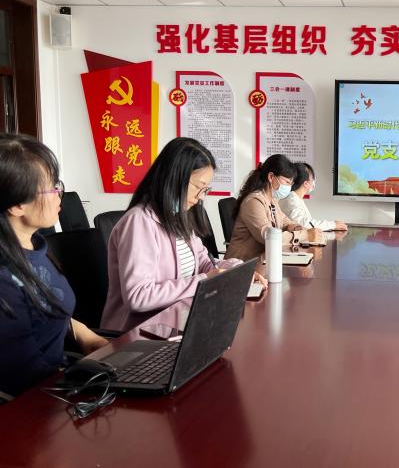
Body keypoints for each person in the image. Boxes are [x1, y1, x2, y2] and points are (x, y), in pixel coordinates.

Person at [101, 138, 258, 332]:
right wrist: (204, 280)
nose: (201, 197)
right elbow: (138, 296)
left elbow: (205, 262)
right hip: (139, 335)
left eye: (206, 189)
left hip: (176, 324)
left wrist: (236, 271)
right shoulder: (139, 222)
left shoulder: (178, 217)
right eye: (199, 187)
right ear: (175, 178)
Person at [0, 134, 108, 397]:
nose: (60, 194)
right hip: (34, 402)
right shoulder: (4, 279)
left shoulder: (35, 246)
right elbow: (24, 375)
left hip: (59, 381)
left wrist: (82, 333)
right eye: (51, 188)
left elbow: (44, 304)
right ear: (17, 205)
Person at [225, 154, 320, 261]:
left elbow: (285, 222)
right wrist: (305, 235)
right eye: (287, 182)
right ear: (271, 177)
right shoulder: (254, 201)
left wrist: (297, 228)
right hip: (241, 264)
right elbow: (269, 237)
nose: (289, 187)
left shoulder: (272, 200)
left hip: (263, 261)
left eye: (291, 183)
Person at [279, 163, 347, 232]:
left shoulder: (296, 198)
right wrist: (332, 225)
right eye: (312, 178)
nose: (314, 181)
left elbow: (308, 223)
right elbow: (305, 225)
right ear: (306, 183)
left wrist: (332, 225)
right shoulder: (291, 200)